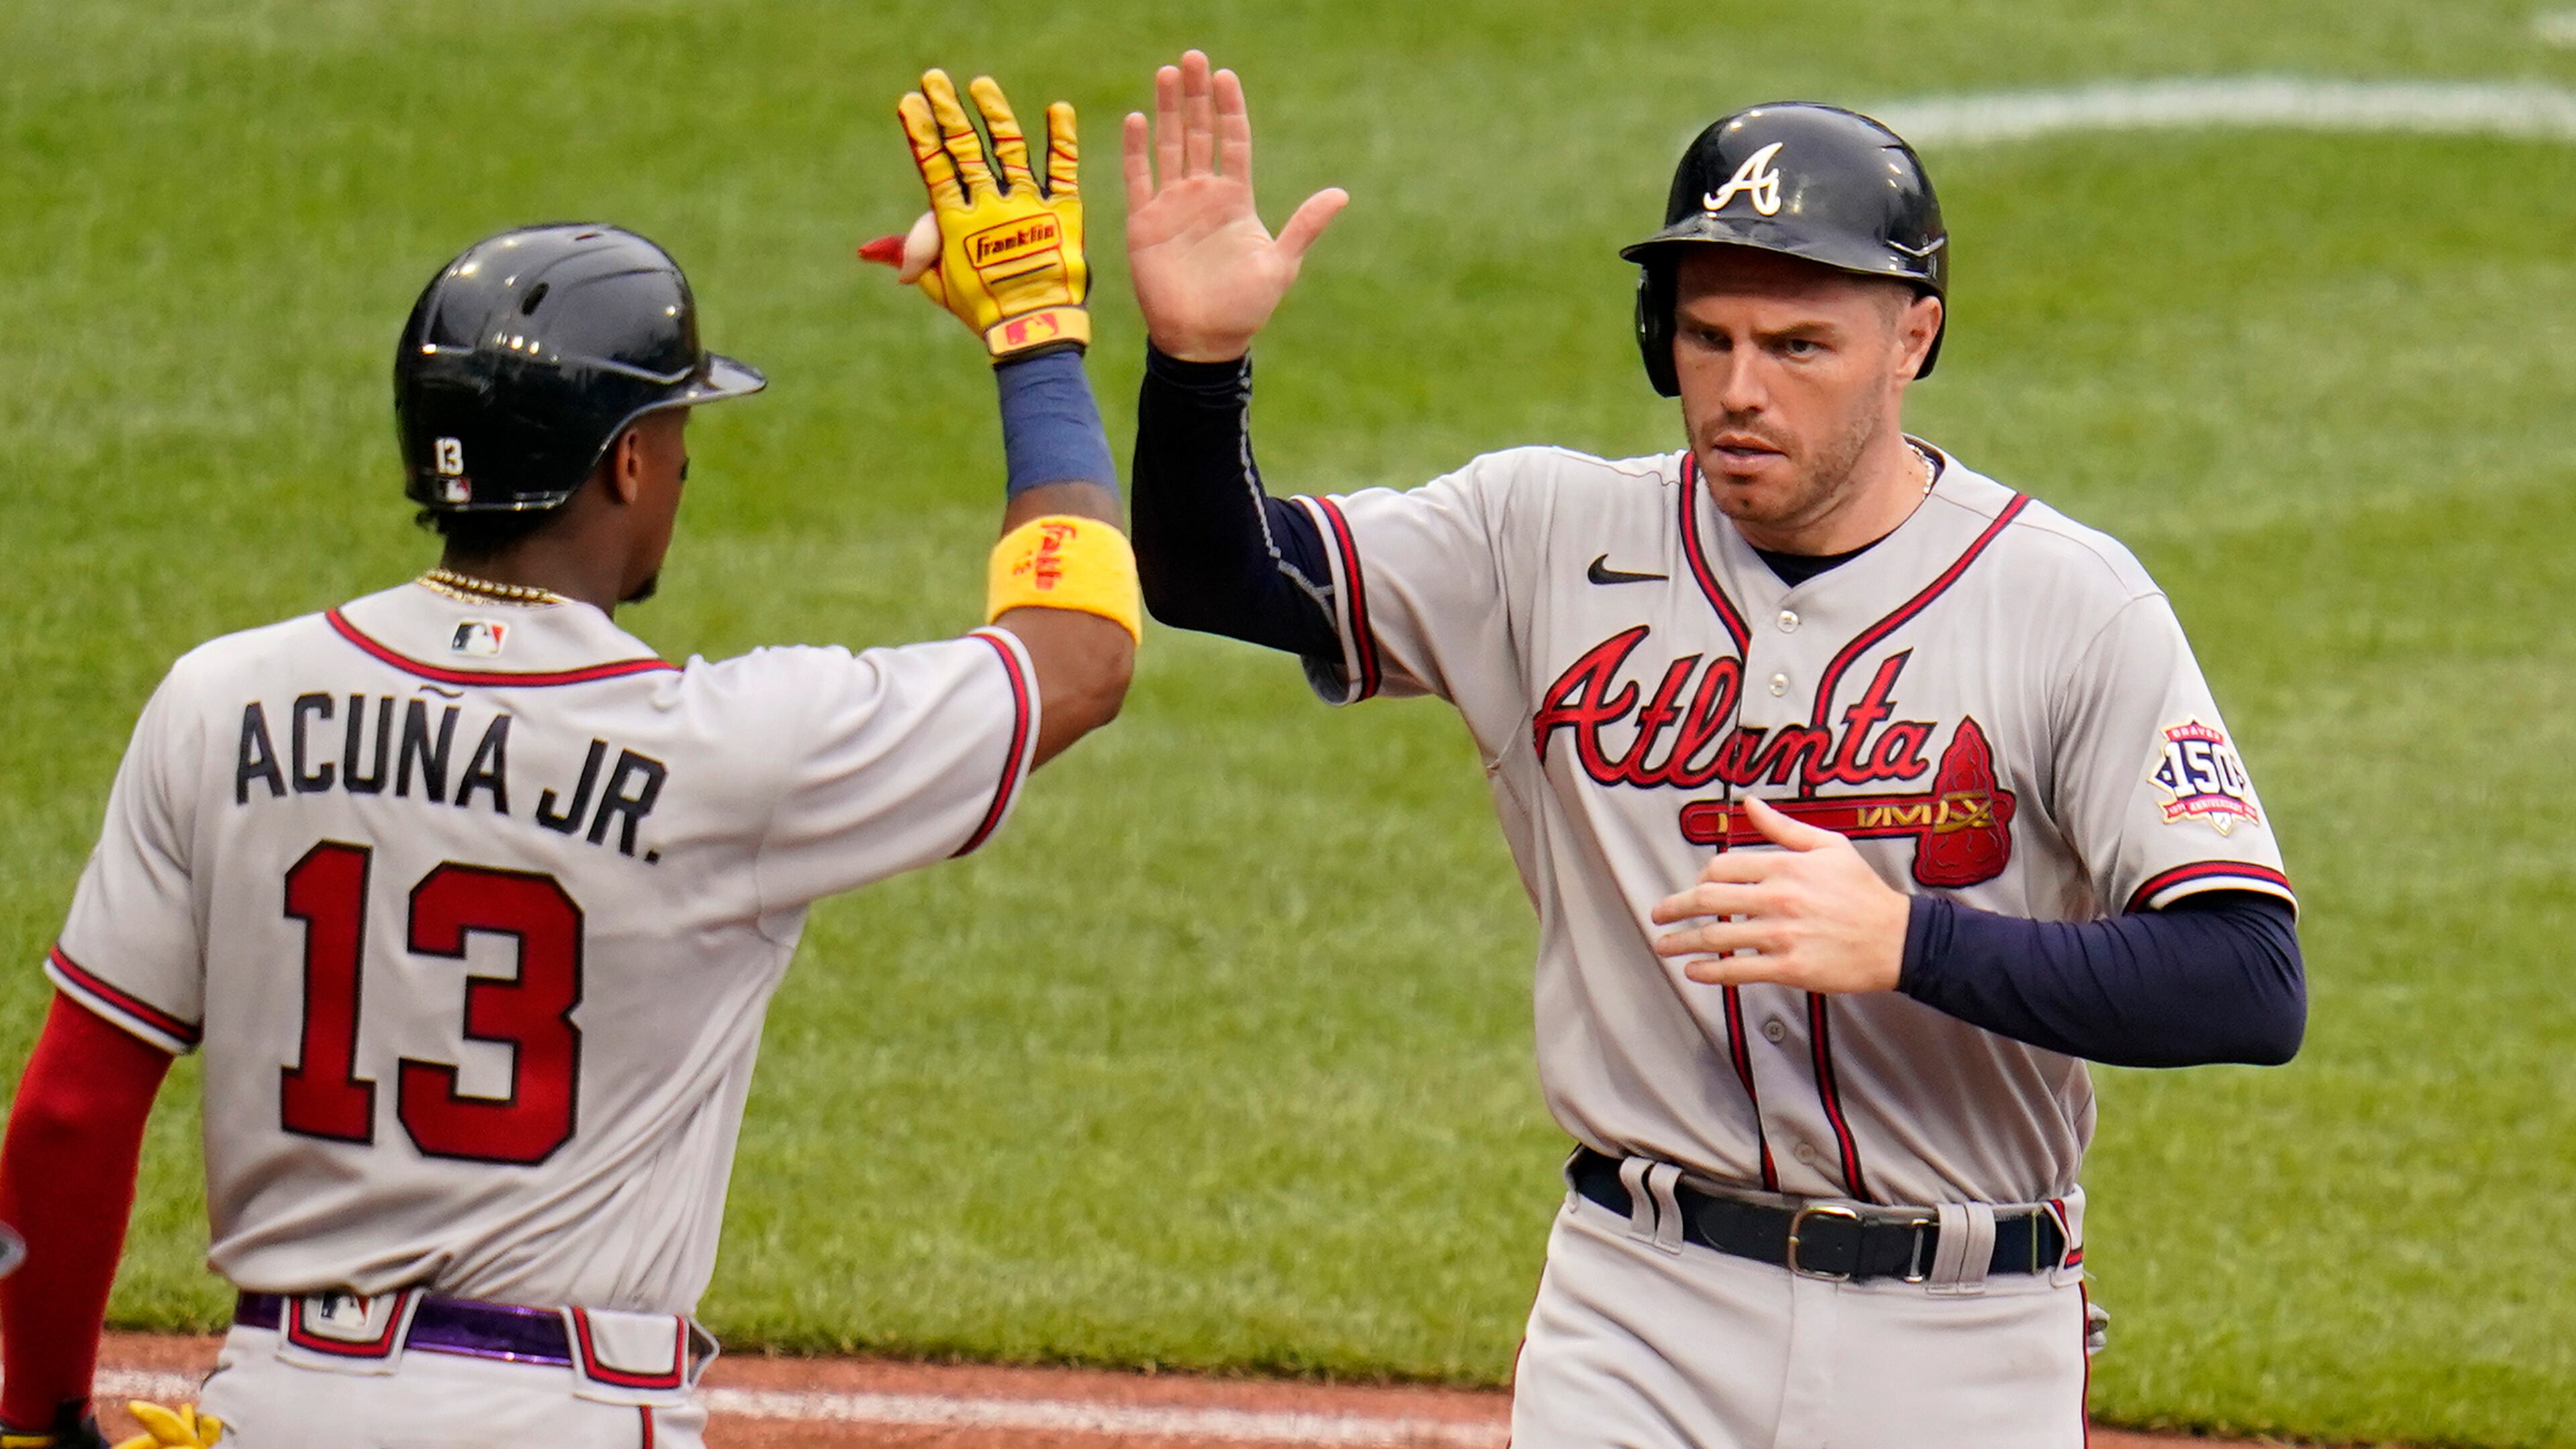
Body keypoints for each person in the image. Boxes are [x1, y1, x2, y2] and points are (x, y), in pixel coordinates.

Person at [1122, 52, 2304, 1449]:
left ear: (1912, 338)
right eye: (1706, 339)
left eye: (1799, 347)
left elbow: (2245, 982)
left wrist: (1909, 945)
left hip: (1958, 1333)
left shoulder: (2068, 601)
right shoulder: (1544, 536)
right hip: (1639, 1302)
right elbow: (1218, 576)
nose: (1742, 390)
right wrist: (1198, 370)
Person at [0, 68, 1133, 1449]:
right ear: (630, 465)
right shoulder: (730, 751)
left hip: (278, 1406)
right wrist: (1036, 335)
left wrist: (37, 1420)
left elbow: (68, 1114)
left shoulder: (218, 701)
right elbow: (1080, 656)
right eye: (678, 427)